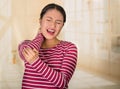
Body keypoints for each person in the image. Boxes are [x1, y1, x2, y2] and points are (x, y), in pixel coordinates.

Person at [18, 3, 77, 89]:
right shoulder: (27, 44)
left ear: (62, 26)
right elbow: (28, 50)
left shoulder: (69, 48)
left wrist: (35, 61)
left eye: (58, 22)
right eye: (49, 20)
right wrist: (40, 35)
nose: (53, 26)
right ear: (40, 21)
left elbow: (62, 83)